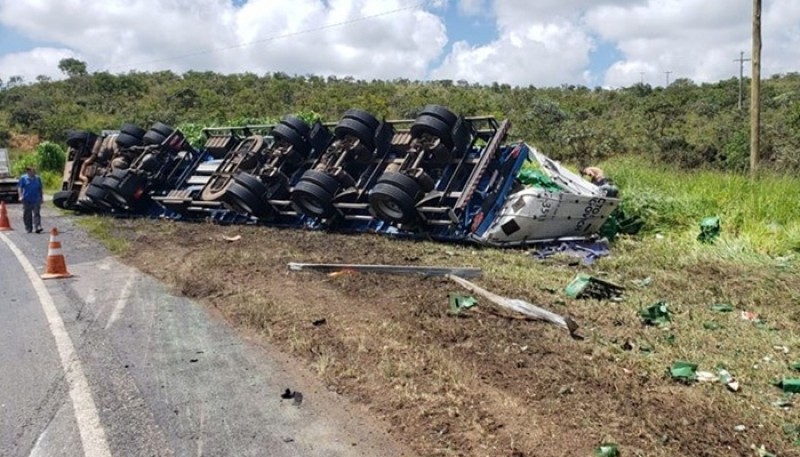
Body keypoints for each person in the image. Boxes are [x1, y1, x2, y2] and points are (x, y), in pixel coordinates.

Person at [18, 166, 43, 233]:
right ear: (28, 172)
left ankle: (37, 227)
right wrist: (20, 196)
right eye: (32, 171)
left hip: (36, 199)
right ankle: (28, 227)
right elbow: (20, 187)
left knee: (36, 213)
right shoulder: (23, 178)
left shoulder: (38, 178)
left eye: (34, 171)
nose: (34, 172)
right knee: (27, 214)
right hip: (27, 199)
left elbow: (40, 189)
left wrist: (41, 197)